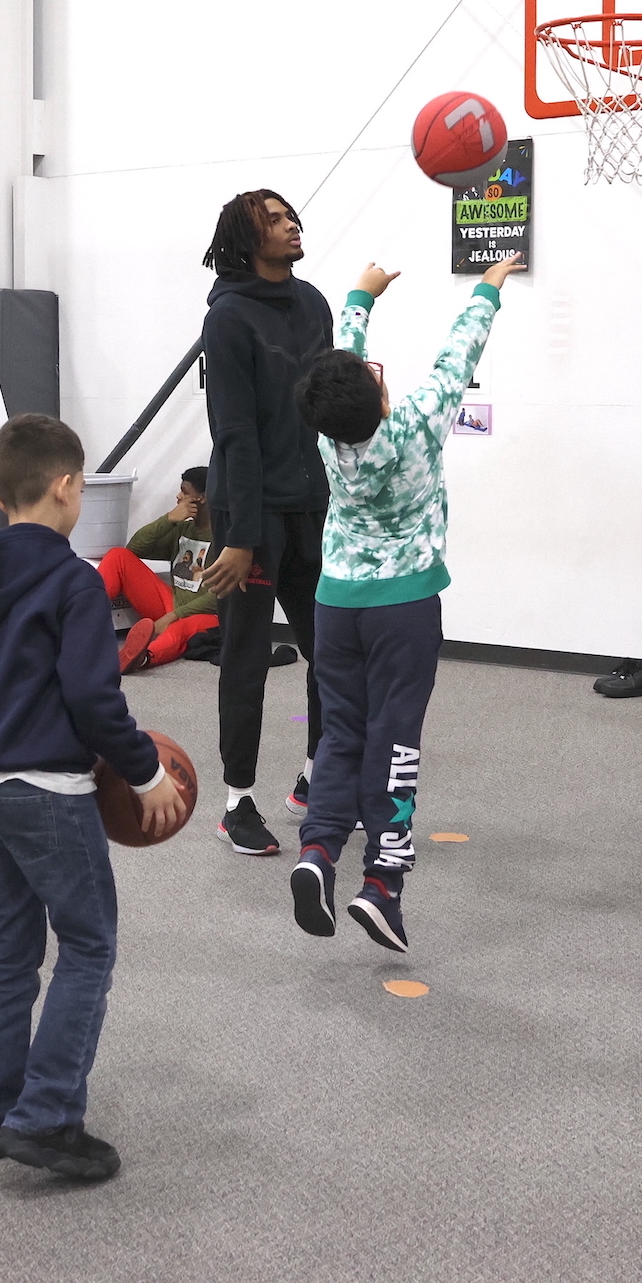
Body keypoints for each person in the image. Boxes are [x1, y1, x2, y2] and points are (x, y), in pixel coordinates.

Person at [0, 414, 181, 1182]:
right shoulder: (73, 578)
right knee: (89, 944)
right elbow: (93, 696)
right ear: (68, 487)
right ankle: (44, 1119)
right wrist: (145, 773)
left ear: (1, 495)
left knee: (12, 949)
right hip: (48, 786)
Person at [287, 253, 522, 955]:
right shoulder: (416, 423)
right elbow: (460, 352)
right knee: (395, 739)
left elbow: (343, 354)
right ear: (379, 394)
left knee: (340, 732)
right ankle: (382, 884)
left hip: (337, 603)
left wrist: (360, 293)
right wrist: (489, 286)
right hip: (404, 607)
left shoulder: (329, 441)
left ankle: (318, 852)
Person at [195, 188, 331, 856]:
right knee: (246, 661)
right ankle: (237, 801)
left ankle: (315, 776)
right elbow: (235, 433)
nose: (291, 223)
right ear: (249, 241)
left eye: (290, 214)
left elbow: (328, 406)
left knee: (332, 652)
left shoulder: (314, 304)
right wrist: (242, 539)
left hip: (311, 505)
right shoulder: (227, 320)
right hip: (248, 516)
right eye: (274, 220)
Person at [95, 465, 220, 672]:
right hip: (171, 603)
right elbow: (134, 548)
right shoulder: (182, 528)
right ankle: (78, 618)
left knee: (179, 629)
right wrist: (169, 519)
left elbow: (219, 598)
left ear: (203, 498)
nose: (178, 496)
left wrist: (173, 616)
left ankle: (140, 658)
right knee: (118, 556)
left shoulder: (225, 538)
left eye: (185, 491)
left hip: (206, 615)